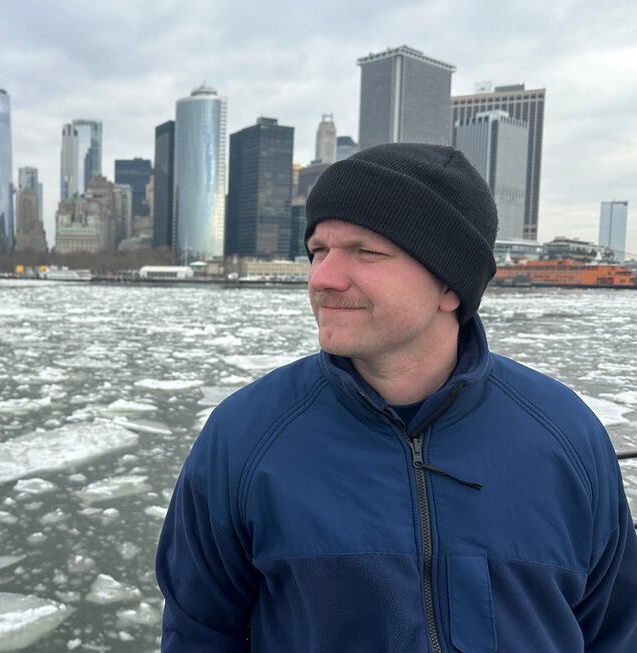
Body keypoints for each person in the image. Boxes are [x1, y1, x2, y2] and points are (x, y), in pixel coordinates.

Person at [155, 143, 637, 652]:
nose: (321, 278)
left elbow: (617, 630)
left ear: (450, 285)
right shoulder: (244, 436)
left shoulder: (566, 435)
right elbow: (199, 634)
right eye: (318, 250)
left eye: (366, 252)